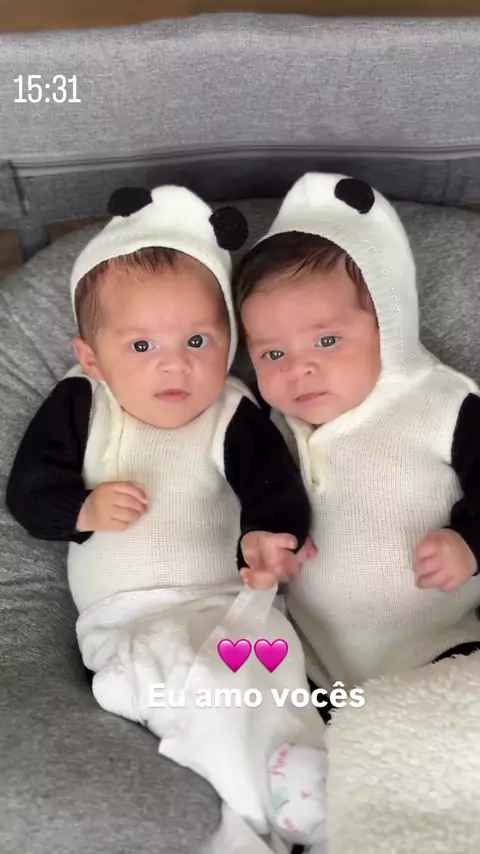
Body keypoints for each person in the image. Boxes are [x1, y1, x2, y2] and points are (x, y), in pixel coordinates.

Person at [6, 184, 327, 849]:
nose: (175, 363)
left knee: (272, 676)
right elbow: (29, 491)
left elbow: (273, 485)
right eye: (142, 346)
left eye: (198, 340)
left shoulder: (231, 410)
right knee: (191, 681)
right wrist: (81, 507)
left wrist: (271, 535)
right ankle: (266, 809)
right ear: (92, 358)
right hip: (126, 620)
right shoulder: (83, 404)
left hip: (230, 605)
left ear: (230, 342)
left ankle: (302, 782)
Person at [234, 171, 480, 694]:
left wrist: (469, 541)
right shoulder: (269, 426)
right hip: (312, 663)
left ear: (388, 327)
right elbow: (246, 501)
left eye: (327, 340)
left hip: (439, 646)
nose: (298, 368)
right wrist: (258, 543)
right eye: (272, 353)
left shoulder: (440, 403)